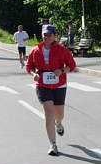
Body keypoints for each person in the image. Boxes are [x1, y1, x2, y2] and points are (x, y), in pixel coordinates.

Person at [26, 24, 76, 156]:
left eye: (49, 35)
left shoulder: (62, 50)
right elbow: (29, 66)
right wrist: (33, 74)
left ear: (54, 36)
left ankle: (59, 123)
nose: (46, 37)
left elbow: (72, 65)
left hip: (59, 84)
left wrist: (62, 70)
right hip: (42, 85)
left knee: (59, 114)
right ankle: (53, 144)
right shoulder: (35, 50)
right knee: (49, 114)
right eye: (44, 35)